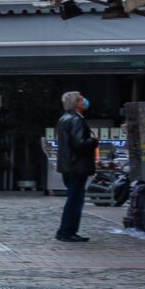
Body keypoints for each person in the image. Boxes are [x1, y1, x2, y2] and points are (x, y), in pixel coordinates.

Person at [53, 89, 96, 243]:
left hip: (69, 166)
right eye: (81, 99)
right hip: (77, 166)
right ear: (76, 103)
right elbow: (80, 144)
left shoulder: (64, 119)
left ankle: (65, 230)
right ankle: (67, 231)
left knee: (73, 198)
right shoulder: (77, 120)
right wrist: (93, 140)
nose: (84, 101)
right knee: (75, 200)